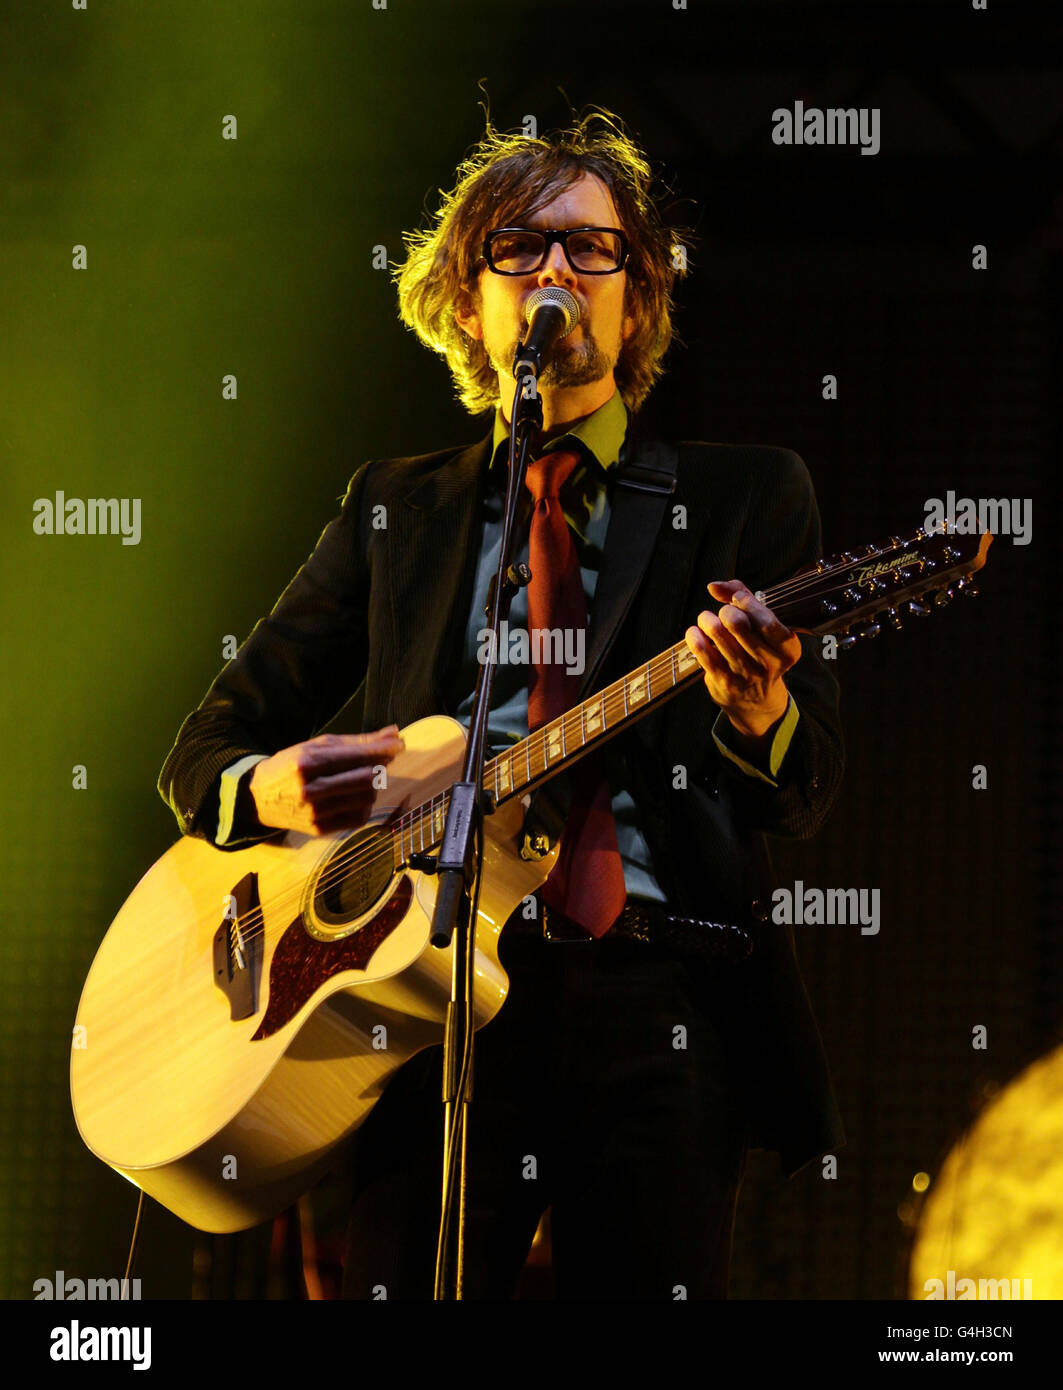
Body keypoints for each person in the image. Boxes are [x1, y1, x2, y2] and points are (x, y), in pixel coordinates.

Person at [158, 110, 845, 1300]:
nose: (557, 275)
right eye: (519, 250)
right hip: (421, 1016)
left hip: (659, 1005)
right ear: (466, 298)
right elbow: (203, 749)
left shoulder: (746, 496)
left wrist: (753, 710)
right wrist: (262, 786)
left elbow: (808, 789)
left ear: (638, 298)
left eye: (593, 250)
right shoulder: (394, 507)